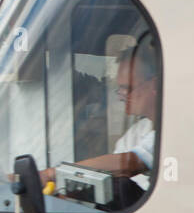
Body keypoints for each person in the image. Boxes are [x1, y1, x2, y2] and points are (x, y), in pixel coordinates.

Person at [41, 35, 157, 201]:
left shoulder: (176, 127)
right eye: (120, 89)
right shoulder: (137, 132)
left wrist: (51, 174)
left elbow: (127, 165)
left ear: (155, 85)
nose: (121, 96)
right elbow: (109, 177)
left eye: (127, 88)